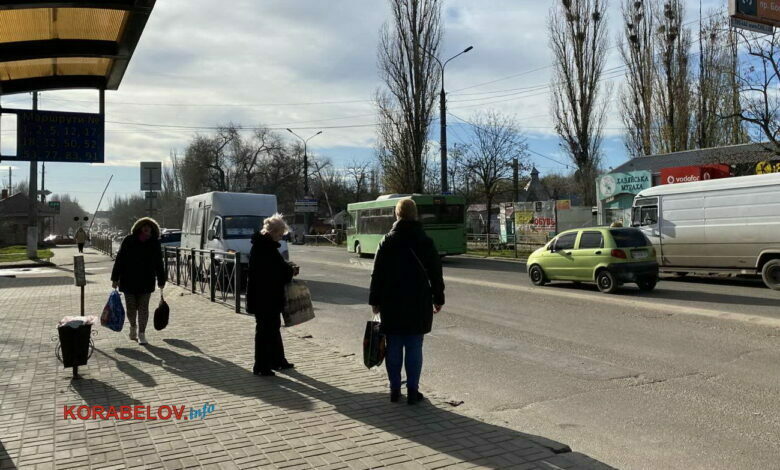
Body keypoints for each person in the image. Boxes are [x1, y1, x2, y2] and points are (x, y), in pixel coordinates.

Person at [369, 198, 445, 405]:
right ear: (415, 215)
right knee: (414, 346)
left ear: (397, 214)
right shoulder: (425, 241)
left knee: (393, 346)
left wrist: (374, 300)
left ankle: (394, 390)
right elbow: (436, 273)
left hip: (391, 301)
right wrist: (438, 298)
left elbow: (377, 274)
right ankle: (413, 390)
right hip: (418, 300)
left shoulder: (387, 241)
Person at [246, 213, 300, 376]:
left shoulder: (262, 244)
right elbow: (274, 272)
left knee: (273, 328)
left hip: (265, 296)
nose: (280, 237)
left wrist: (287, 268)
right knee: (264, 331)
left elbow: (275, 268)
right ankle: (261, 366)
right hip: (265, 297)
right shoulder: (265, 247)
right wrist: (290, 270)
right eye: (280, 234)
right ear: (273, 231)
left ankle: (277, 361)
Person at [110, 217, 166, 345]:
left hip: (146, 281)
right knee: (131, 308)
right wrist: (115, 278)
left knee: (143, 308)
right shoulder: (129, 240)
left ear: (152, 229)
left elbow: (159, 263)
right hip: (128, 280)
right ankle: (133, 327)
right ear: (139, 228)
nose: (146, 228)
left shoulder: (154, 243)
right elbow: (120, 259)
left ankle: (142, 333)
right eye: (144, 226)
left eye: (149, 227)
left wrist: (161, 280)